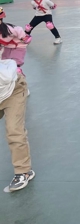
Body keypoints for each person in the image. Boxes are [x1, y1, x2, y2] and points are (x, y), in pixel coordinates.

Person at [0, 59, 33, 191]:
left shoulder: (6, 71)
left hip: (13, 92)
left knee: (14, 130)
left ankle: (23, 172)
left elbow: (7, 76)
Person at [0, 8, 32, 72]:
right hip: (6, 47)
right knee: (4, 64)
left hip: (18, 47)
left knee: (15, 66)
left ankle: (19, 75)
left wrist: (24, 37)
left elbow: (18, 30)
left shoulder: (9, 29)